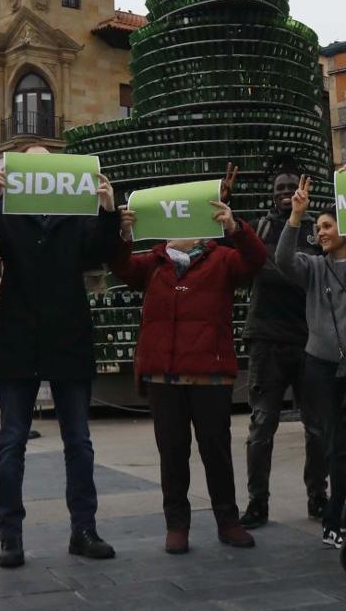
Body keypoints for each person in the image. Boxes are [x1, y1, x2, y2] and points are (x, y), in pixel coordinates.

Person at [0, 148, 122, 569]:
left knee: (78, 442)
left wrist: (107, 211)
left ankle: (84, 529)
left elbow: (100, 254)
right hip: (18, 340)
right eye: (31, 164)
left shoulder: (79, 213)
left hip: (68, 337)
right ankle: (10, 537)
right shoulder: (5, 211)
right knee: (11, 443)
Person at [112, 198, 266, 553]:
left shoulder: (223, 258)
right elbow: (121, 266)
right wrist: (122, 234)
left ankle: (228, 521)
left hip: (209, 375)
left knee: (217, 451)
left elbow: (256, 261)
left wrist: (235, 229)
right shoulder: (154, 262)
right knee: (172, 453)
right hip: (163, 377)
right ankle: (176, 525)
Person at [275, 174, 346, 548]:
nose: (320, 232)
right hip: (320, 367)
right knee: (337, 442)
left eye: (327, 225)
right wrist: (296, 216)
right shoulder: (313, 267)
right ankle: (338, 518)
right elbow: (282, 260)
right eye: (317, 227)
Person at [240, 165, 328, 529]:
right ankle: (257, 502)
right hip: (266, 339)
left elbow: (320, 273)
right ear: (271, 191)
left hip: (311, 340)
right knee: (262, 426)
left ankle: (317, 497)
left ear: (304, 190)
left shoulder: (315, 230)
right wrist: (297, 271)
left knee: (318, 427)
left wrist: (281, 268)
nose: (286, 190)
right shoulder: (261, 228)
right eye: (281, 186)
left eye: (292, 185)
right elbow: (263, 268)